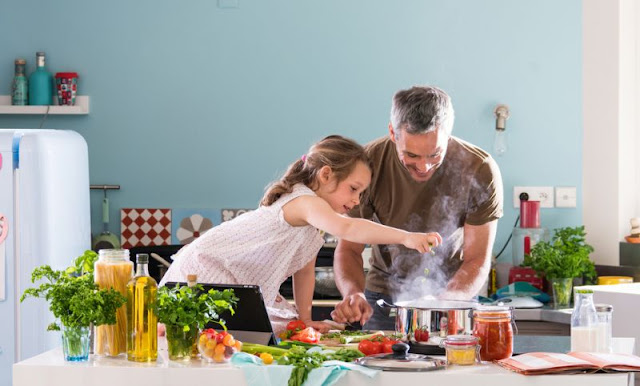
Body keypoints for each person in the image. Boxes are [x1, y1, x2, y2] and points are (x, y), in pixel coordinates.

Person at [159, 135, 441, 334]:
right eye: (354, 189)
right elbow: (349, 228)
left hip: (232, 281)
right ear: (326, 175)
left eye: (362, 193)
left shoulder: (313, 222)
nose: (357, 200)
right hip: (207, 269)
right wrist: (407, 237)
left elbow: (304, 272)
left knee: (283, 328)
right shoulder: (305, 201)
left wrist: (305, 319)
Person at [331, 86, 504, 330]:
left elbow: (477, 259)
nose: (423, 166)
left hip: (453, 295)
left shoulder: (479, 168)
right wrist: (353, 293)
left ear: (448, 134)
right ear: (393, 132)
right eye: (411, 155)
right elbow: (348, 248)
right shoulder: (368, 164)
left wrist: (445, 304)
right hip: (382, 298)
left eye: (435, 154)